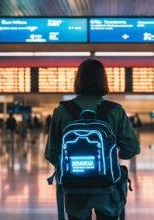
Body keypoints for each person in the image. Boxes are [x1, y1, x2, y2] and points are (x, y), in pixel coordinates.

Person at [45, 59, 140, 220]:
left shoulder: (61, 111)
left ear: (78, 80)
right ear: (103, 80)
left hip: (74, 188)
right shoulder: (115, 111)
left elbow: (51, 153)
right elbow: (131, 148)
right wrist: (112, 157)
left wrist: (71, 167)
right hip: (107, 187)